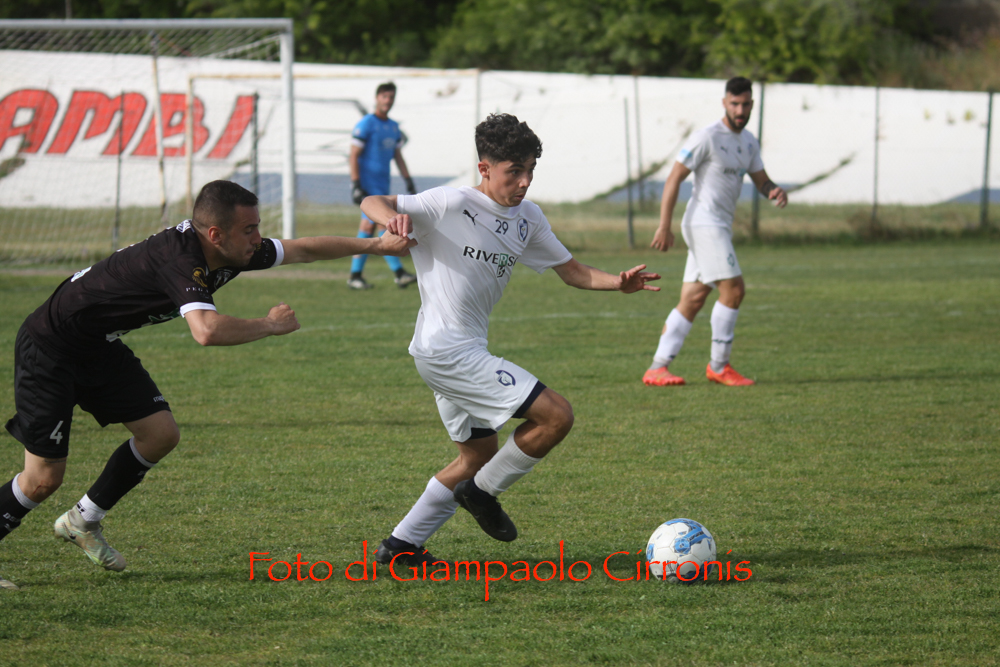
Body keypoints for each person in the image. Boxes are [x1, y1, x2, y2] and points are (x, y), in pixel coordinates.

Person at [0, 180, 413, 591]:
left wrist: (377, 246)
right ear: (216, 234)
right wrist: (269, 325)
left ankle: (83, 519)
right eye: (249, 229)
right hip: (50, 349)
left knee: (160, 434)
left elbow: (303, 249)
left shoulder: (231, 249)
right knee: (43, 478)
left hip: (97, 347)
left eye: (256, 227)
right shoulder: (182, 259)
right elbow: (206, 330)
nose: (257, 238)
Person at [360, 113, 661, 567]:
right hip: (447, 351)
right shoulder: (449, 203)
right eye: (514, 171)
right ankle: (481, 496)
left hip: (454, 352)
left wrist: (617, 283)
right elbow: (372, 200)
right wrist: (394, 220)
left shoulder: (528, 218)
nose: (524, 182)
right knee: (556, 416)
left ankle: (400, 547)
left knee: (478, 455)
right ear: (484, 168)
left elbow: (572, 271)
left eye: (530, 171)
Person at [642, 76, 787, 388]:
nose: (740, 110)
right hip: (704, 223)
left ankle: (657, 368)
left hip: (718, 226)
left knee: (693, 299)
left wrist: (773, 190)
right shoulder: (706, 137)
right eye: (734, 104)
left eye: (745, 104)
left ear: (752, 104)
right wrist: (664, 225)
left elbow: (761, 180)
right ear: (724, 103)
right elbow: (674, 178)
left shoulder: (749, 142)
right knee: (734, 290)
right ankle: (719, 366)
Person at [347, 81, 418, 290]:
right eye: (384, 96)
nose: (388, 101)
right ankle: (397, 273)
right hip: (367, 186)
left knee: (371, 226)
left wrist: (408, 180)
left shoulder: (393, 127)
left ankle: (357, 275)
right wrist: (356, 184)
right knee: (377, 225)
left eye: (391, 97)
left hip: (382, 185)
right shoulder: (366, 124)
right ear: (377, 98)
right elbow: (353, 155)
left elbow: (397, 155)